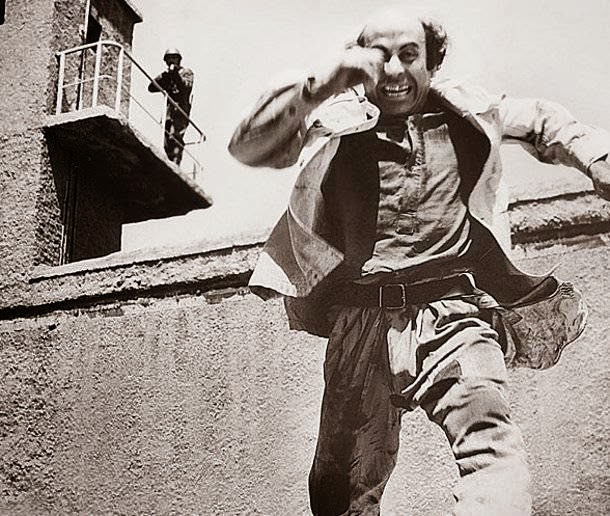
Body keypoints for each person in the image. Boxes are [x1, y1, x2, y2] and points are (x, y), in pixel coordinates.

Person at [228, 8, 610, 516]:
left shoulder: (467, 110)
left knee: (491, 447)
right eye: (377, 57)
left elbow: (541, 119)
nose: (393, 71)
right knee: (337, 491)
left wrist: (597, 156)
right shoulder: (333, 121)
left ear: (432, 62)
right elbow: (249, 146)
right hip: (360, 323)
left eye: (409, 55)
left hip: (452, 317)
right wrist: (324, 83)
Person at [148, 48, 194, 164]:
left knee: (175, 138)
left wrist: (175, 74)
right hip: (169, 113)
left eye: (174, 58)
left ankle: (175, 164)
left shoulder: (186, 72)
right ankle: (170, 163)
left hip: (180, 111)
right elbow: (151, 87)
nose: (171, 61)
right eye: (169, 59)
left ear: (179, 60)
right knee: (167, 143)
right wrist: (165, 76)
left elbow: (185, 87)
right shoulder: (168, 76)